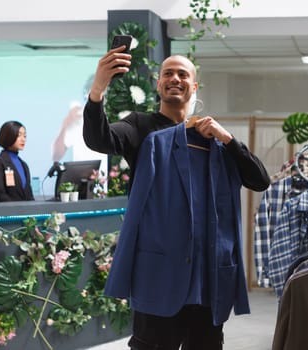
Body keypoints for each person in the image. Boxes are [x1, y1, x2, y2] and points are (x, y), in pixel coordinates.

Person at [83, 46, 270, 349]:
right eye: (168, 73)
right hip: (159, 276)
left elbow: (259, 180)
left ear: (194, 86)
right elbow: (99, 139)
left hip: (207, 277)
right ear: (158, 84)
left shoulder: (213, 140)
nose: (175, 78)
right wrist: (98, 88)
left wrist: (228, 138)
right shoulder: (140, 127)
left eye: (183, 74)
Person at [0, 120, 35, 202]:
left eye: (25, 136)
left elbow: (29, 195)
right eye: (19, 135)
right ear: (9, 136)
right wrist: (18, 210)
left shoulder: (24, 165)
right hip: (9, 213)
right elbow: (0, 195)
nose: (23, 139)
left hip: (26, 213)